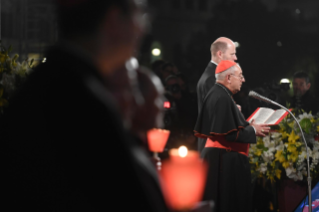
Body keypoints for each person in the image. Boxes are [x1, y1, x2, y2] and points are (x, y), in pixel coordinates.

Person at [1, 0, 169, 211]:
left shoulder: (53, 82)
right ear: (114, 19)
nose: (144, 28)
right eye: (140, 15)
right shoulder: (83, 103)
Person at [194, 60, 270, 212]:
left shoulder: (220, 94)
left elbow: (226, 128)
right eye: (240, 76)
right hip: (224, 163)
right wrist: (253, 130)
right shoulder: (221, 97)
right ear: (228, 77)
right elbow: (229, 135)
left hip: (220, 159)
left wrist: (247, 125)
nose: (243, 80)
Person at [196, 37, 238, 153]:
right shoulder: (212, 78)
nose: (235, 58)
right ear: (220, 54)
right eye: (232, 54)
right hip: (213, 147)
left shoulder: (211, 75)